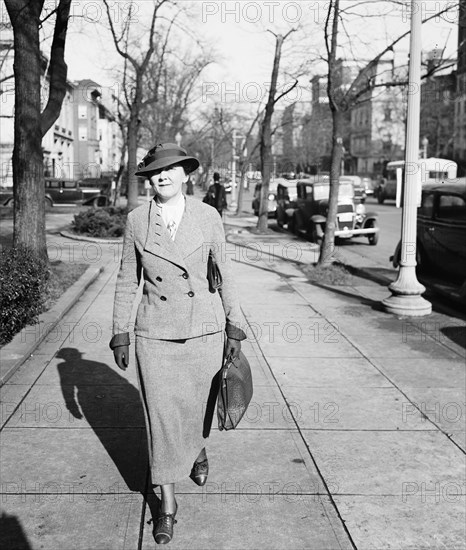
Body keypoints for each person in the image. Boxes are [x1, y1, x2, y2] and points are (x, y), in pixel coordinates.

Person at [109, 143, 246, 545]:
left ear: (187, 174)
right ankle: (167, 504)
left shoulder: (208, 216)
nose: (161, 177)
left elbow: (226, 272)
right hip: (156, 332)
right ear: (148, 179)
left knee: (197, 408)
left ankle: (197, 448)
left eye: (170, 170)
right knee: (162, 417)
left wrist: (235, 325)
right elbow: (125, 278)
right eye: (154, 172)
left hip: (203, 328)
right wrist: (121, 331)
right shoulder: (137, 220)